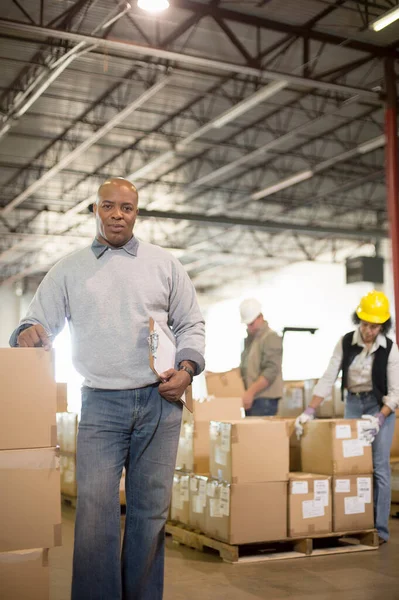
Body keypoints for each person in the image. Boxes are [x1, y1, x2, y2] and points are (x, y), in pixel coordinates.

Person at [9, 177, 205, 600]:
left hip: (160, 402)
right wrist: (28, 331)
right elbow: (34, 320)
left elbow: (191, 323)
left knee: (149, 515)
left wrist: (188, 369)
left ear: (137, 212)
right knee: (95, 517)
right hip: (100, 405)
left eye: (127, 207)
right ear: (95, 210)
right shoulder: (69, 269)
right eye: (108, 206)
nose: (118, 214)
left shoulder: (164, 264)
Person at [295, 290, 399, 544]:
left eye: (374, 326)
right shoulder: (345, 343)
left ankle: (379, 530)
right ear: (359, 320)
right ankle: (354, 522)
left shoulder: (390, 350)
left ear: (382, 326)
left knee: (379, 468)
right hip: (353, 404)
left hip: (379, 408)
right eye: (365, 324)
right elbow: (329, 377)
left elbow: (396, 392)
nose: (368, 330)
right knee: (350, 466)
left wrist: (379, 419)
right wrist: (310, 410)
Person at [239, 298, 283, 416]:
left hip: (265, 401)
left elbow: (271, 370)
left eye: (252, 323)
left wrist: (250, 392)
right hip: (253, 399)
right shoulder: (251, 340)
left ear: (260, 317)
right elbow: (245, 368)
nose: (249, 327)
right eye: (247, 324)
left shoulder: (270, 337)